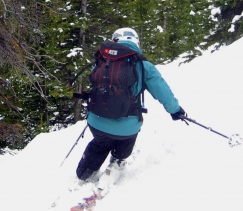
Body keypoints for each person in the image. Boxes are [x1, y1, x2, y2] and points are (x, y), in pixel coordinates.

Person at [75, 27, 186, 181]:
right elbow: (162, 91)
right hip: (127, 126)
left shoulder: (102, 59)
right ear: (136, 41)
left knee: (100, 143)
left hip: (96, 120)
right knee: (124, 140)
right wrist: (175, 110)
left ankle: (84, 173)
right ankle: (116, 164)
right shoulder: (143, 65)